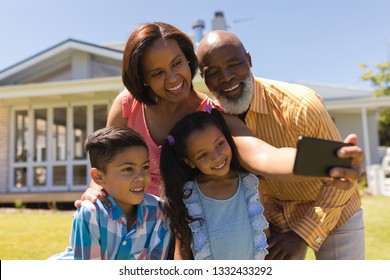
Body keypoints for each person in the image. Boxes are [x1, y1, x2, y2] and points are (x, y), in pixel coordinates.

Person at [77, 21, 363, 207]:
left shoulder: (212, 114)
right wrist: (94, 188)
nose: (173, 78)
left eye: (177, 63)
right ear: (143, 79)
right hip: (133, 223)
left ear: (189, 61)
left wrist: (325, 160)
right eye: (157, 72)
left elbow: (263, 155)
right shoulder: (127, 105)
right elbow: (105, 157)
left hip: (187, 232)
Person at [196, 30, 365, 260]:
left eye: (234, 65)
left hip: (333, 210)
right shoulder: (212, 117)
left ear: (249, 59)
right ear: (204, 78)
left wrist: (302, 235)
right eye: (213, 72)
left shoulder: (301, 106)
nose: (226, 77)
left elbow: (339, 181)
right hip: (275, 219)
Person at [160, 107, 269, 260]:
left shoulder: (251, 185)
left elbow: (263, 236)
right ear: (190, 162)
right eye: (203, 155)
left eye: (219, 144)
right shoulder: (187, 196)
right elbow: (182, 252)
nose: (217, 157)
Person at [50, 126, 171, 260]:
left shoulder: (160, 211)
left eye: (145, 167)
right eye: (128, 169)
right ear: (99, 177)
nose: (141, 177)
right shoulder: (90, 214)